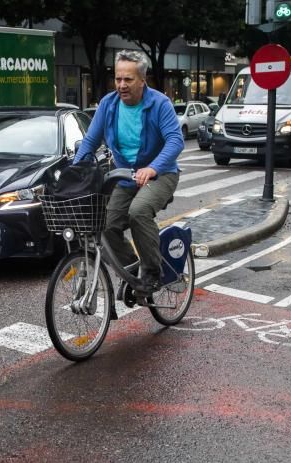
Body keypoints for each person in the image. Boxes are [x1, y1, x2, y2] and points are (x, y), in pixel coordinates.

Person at [74, 50, 184, 298]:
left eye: (128, 80)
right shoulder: (108, 104)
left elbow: (175, 141)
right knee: (106, 224)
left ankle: (152, 273)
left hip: (161, 174)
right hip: (125, 176)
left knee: (138, 212)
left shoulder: (159, 104)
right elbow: (90, 141)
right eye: (118, 79)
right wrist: (73, 171)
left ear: (142, 80)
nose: (121, 85)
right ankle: (134, 267)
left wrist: (153, 167)